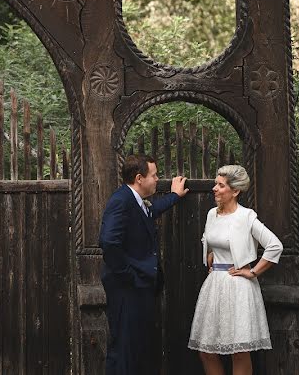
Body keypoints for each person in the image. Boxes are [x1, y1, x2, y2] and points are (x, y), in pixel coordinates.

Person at [188, 165, 283, 375]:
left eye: (220, 185)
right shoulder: (212, 214)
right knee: (206, 349)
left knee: (239, 351)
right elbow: (208, 239)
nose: (214, 188)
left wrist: (254, 271)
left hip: (239, 287)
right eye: (216, 184)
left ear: (235, 191)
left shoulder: (246, 217)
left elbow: (275, 245)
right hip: (214, 286)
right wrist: (210, 253)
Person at [99, 154, 188, 375]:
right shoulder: (121, 200)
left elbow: (150, 212)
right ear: (139, 178)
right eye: (154, 175)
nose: (157, 179)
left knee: (136, 350)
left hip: (137, 289)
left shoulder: (135, 201)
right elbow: (109, 242)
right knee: (124, 351)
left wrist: (175, 196)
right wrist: (129, 275)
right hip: (127, 290)